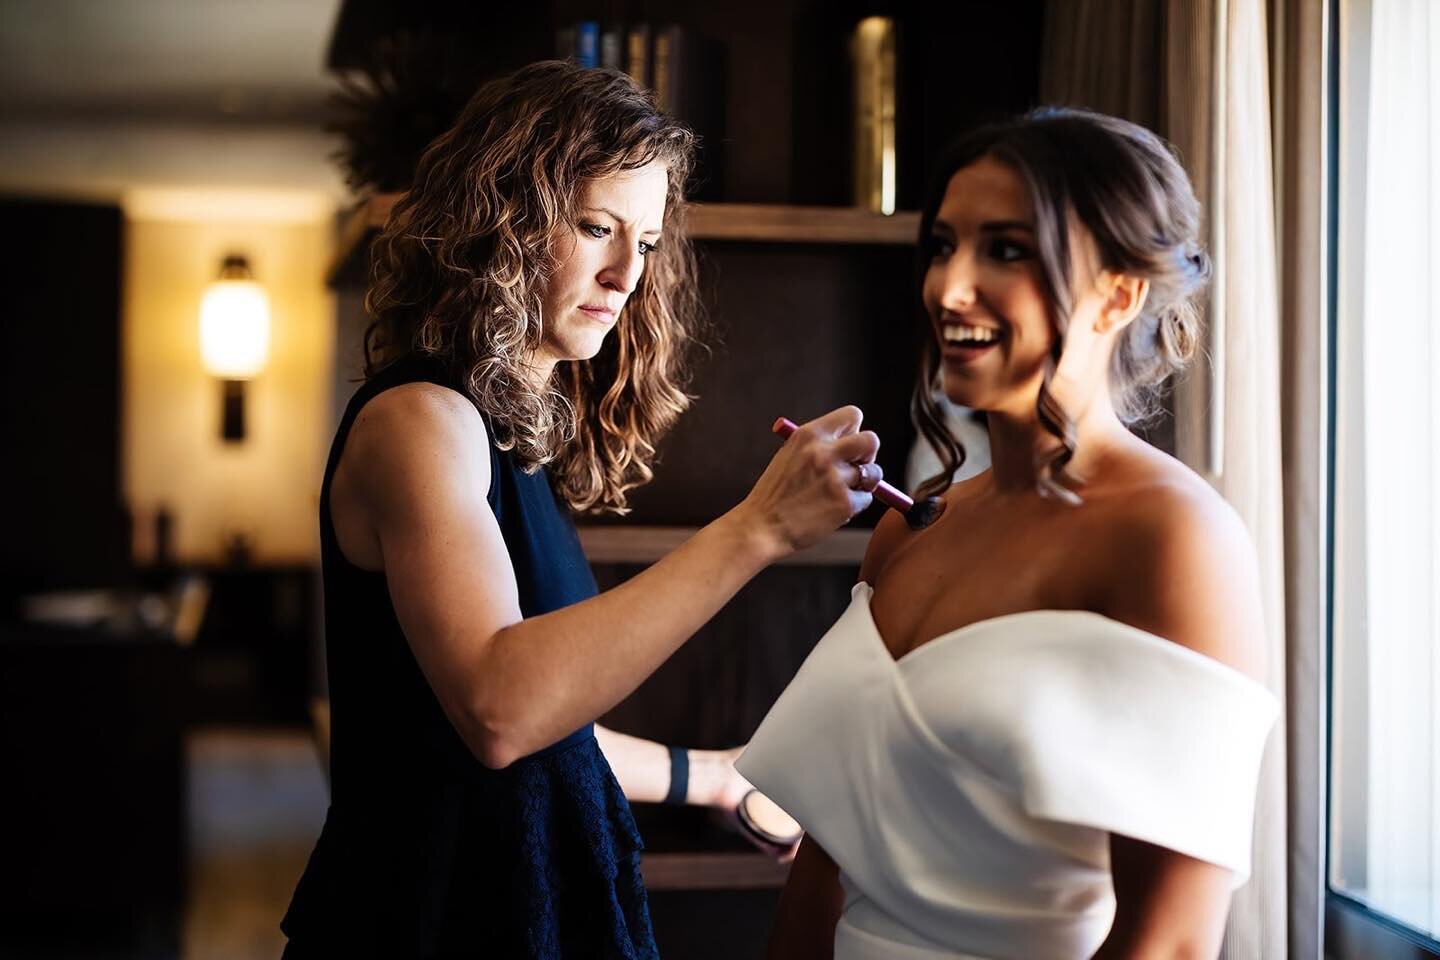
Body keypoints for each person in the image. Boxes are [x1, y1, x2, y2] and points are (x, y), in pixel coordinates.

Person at [280, 60, 882, 958]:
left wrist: (712, 780)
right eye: (597, 227)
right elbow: (500, 710)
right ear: (504, 224)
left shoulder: (502, 441)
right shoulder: (419, 421)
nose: (624, 274)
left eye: (643, 243)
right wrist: (757, 528)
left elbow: (549, 728)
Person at [736, 107, 1279, 959]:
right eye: (945, 244)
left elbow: (1168, 940)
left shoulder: (1173, 540)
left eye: (1006, 250)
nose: (948, 289)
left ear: (1121, 292)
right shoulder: (912, 529)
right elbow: (821, 872)